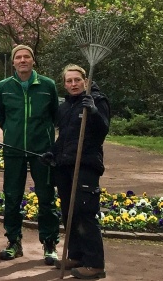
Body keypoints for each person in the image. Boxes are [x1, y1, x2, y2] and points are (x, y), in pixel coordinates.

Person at [0, 45, 59, 264]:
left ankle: (49, 244)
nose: (22, 60)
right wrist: (13, 136)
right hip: (13, 151)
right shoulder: (3, 87)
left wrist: (46, 142)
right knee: (12, 197)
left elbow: (54, 116)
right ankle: (13, 242)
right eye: (18, 57)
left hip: (42, 151)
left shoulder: (48, 85)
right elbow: (2, 118)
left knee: (46, 197)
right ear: (13, 62)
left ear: (33, 60)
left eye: (26, 57)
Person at [51, 64, 109, 280]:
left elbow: (103, 131)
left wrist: (93, 112)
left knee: (84, 213)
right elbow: (64, 137)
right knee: (69, 213)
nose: (73, 84)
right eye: (69, 81)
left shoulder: (97, 100)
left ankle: (95, 264)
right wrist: (52, 153)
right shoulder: (66, 106)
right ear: (64, 84)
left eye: (77, 80)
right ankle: (76, 255)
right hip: (65, 165)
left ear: (85, 80)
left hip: (86, 165)